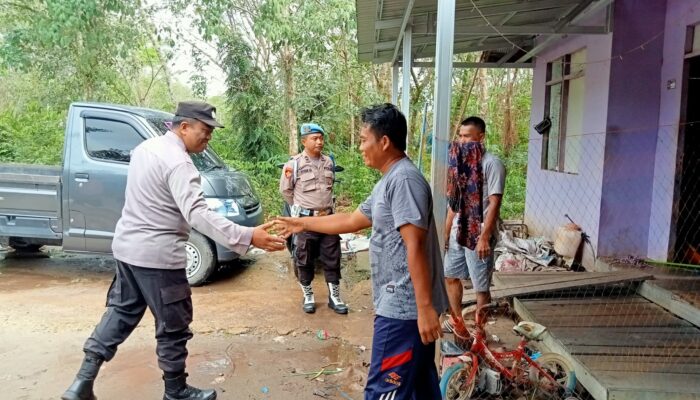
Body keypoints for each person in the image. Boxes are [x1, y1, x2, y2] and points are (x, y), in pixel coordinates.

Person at [61, 101, 286, 400]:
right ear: (183, 126)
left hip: (128, 250)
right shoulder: (179, 163)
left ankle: (82, 382)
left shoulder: (145, 149)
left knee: (121, 312)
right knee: (173, 325)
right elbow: (198, 214)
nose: (209, 138)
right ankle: (176, 390)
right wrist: (247, 236)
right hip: (158, 257)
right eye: (204, 131)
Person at [275, 104, 448, 400]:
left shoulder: (404, 180)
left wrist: (423, 309)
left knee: (383, 390)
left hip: (403, 310)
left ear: (384, 142)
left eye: (363, 139)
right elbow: (352, 220)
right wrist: (301, 222)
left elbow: (415, 246)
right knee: (420, 386)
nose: (359, 147)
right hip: (403, 308)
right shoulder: (388, 181)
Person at [443, 116, 506, 331]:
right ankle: (458, 325)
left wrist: (485, 237)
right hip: (458, 231)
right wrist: (446, 232)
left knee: (480, 287)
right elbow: (454, 202)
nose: (462, 141)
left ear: (481, 137)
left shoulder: (492, 164)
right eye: (460, 136)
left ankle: (480, 333)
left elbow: (495, 202)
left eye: (467, 136)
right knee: (450, 276)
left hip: (478, 233)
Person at [279, 123, 348, 314]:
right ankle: (308, 295)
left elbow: (330, 187)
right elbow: (286, 191)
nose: (319, 142)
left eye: (321, 138)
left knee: (333, 257)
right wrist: (302, 210)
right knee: (304, 259)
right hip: (305, 222)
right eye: (314, 138)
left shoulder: (329, 162)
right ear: (304, 141)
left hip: (328, 220)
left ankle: (335, 297)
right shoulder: (294, 164)